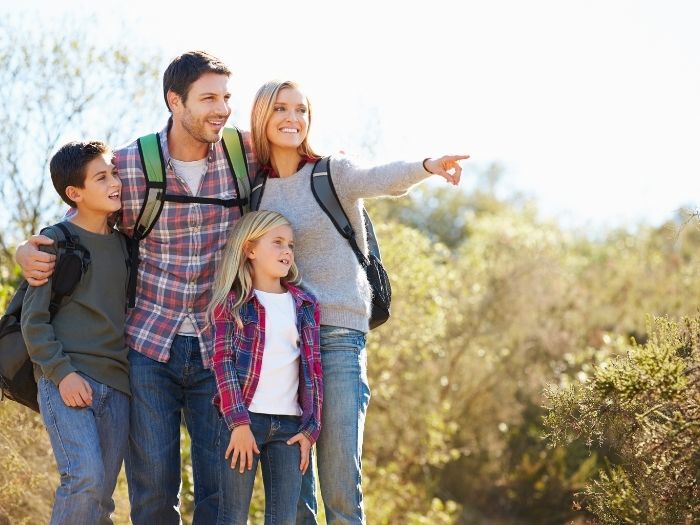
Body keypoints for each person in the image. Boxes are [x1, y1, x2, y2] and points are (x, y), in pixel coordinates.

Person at [15, 51, 255, 524]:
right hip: (147, 350)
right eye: (208, 98)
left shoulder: (243, 155)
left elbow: (297, 154)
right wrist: (30, 248)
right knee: (151, 496)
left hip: (220, 347)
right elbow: (82, 213)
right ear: (175, 101)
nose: (222, 109)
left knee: (222, 498)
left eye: (226, 97)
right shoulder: (129, 164)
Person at [248, 79, 468, 524]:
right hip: (282, 345)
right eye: (281, 109)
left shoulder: (332, 172)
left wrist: (427, 165)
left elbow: (379, 178)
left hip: (337, 337)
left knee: (339, 483)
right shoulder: (254, 191)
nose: (293, 118)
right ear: (261, 118)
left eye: (301, 110)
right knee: (293, 493)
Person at [22, 141, 129, 525]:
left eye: (113, 173)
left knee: (100, 500)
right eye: (101, 178)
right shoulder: (55, 240)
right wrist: (62, 373)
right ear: (75, 193)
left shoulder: (126, 247)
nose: (114, 182)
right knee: (83, 479)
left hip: (117, 387)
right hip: (66, 378)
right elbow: (32, 321)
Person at [208, 210, 322, 524]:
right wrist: (238, 423)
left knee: (284, 519)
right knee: (232, 516)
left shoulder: (305, 304)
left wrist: (311, 430)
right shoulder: (232, 304)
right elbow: (222, 364)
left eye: (291, 245)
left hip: (289, 427)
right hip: (244, 423)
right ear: (250, 249)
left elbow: (314, 371)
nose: (287, 251)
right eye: (278, 243)